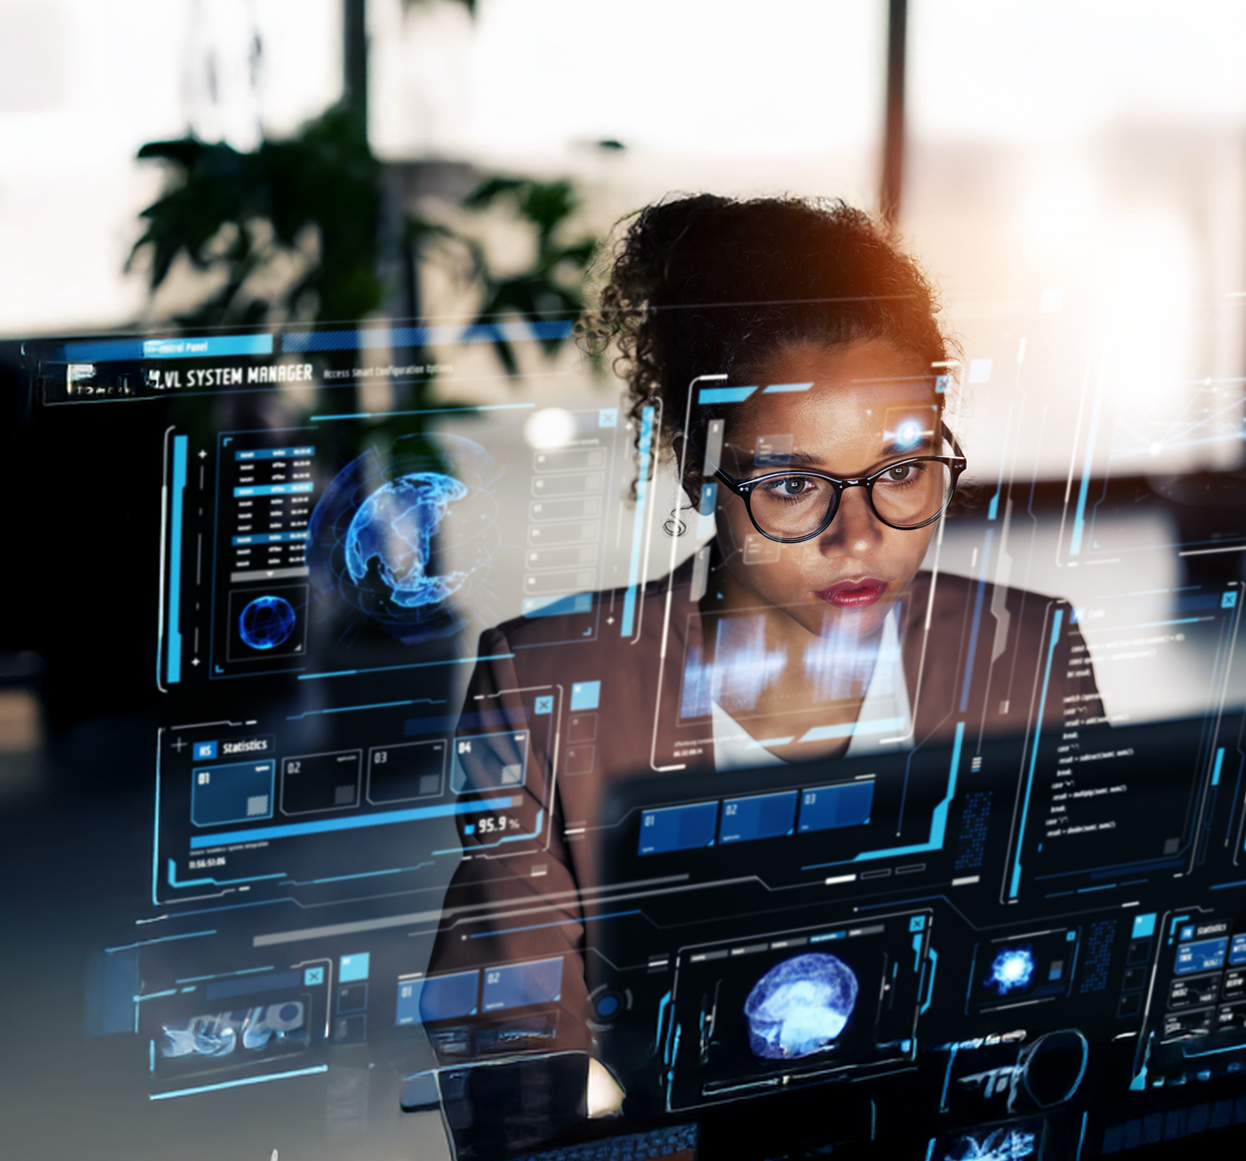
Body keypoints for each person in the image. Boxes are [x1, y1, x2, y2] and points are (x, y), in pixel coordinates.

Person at [422, 195, 1099, 1126]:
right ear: (700, 471)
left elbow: (1085, 968)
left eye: (900, 471)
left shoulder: (1029, 652)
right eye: (790, 486)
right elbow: (513, 1037)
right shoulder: (544, 683)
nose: (857, 537)